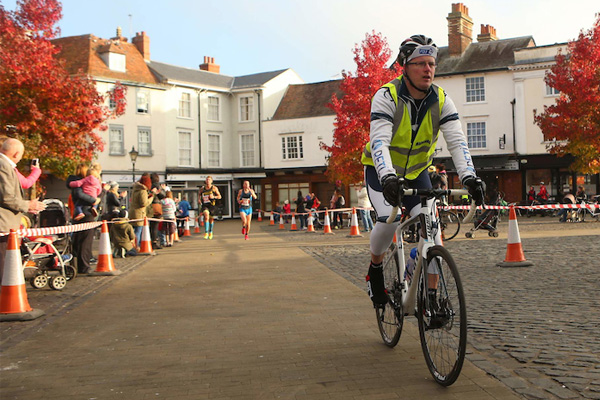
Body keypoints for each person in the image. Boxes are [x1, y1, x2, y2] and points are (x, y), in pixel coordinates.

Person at [361, 34, 485, 306]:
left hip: (418, 172)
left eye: (431, 63)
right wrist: (388, 177)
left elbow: (457, 141)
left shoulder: (441, 100)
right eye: (419, 64)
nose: (427, 69)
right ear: (404, 67)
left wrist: (469, 177)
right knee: (389, 220)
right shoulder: (386, 96)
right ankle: (376, 268)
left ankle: (431, 297)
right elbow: (379, 141)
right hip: (382, 172)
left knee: (433, 233)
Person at [0, 138, 46, 283]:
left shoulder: (7, 166)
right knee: (3, 266)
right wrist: (28, 205)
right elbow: (7, 198)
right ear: (16, 153)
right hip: (3, 225)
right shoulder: (4, 166)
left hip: (7, 224)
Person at [129, 174, 156, 247]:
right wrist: (151, 197)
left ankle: (132, 246)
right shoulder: (143, 191)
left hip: (132, 212)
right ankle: (136, 246)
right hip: (139, 214)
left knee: (133, 231)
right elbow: (144, 203)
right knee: (138, 231)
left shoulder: (136, 189)